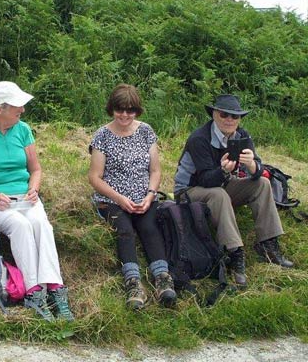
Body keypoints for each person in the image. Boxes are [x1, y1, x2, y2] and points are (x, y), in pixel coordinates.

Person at [0, 81, 74, 322]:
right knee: (20, 226)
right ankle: (34, 292)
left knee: (42, 225)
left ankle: (55, 288)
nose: (22, 110)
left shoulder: (23, 130)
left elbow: (36, 169)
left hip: (24, 196)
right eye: (17, 105)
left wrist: (34, 188)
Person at [174, 94, 293, 289]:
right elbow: (204, 179)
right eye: (224, 114)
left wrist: (253, 166)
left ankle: (268, 244)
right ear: (214, 114)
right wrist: (223, 171)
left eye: (235, 116)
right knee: (219, 194)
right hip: (189, 191)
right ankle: (234, 253)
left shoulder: (242, 136)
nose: (230, 120)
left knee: (262, 183)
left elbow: (259, 169)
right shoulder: (199, 139)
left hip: (221, 185)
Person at [88, 84, 176, 310]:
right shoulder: (102, 135)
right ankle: (133, 283)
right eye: (120, 110)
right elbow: (95, 177)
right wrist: (119, 199)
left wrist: (150, 195)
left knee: (149, 228)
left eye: (130, 110)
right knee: (124, 230)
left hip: (143, 197)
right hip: (111, 199)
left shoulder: (146, 131)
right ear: (112, 109)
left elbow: (155, 170)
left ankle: (163, 279)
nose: (125, 115)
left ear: (137, 111)